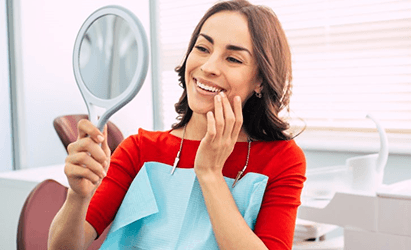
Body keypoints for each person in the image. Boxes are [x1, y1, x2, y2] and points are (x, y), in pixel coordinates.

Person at [49, 0, 306, 249]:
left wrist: (209, 174)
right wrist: (78, 196)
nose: (208, 67)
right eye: (203, 48)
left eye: (233, 59)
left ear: (260, 80)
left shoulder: (282, 160)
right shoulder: (139, 150)